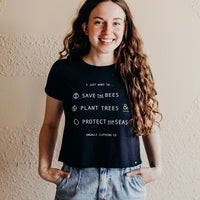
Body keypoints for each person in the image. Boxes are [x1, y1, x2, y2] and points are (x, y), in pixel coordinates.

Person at [38, 0, 163, 199]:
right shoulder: (63, 71)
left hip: (127, 182)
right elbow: (50, 124)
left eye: (116, 23)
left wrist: (158, 168)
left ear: (125, 29)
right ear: (85, 27)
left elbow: (149, 123)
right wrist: (43, 167)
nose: (107, 30)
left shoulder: (137, 72)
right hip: (77, 182)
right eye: (98, 22)